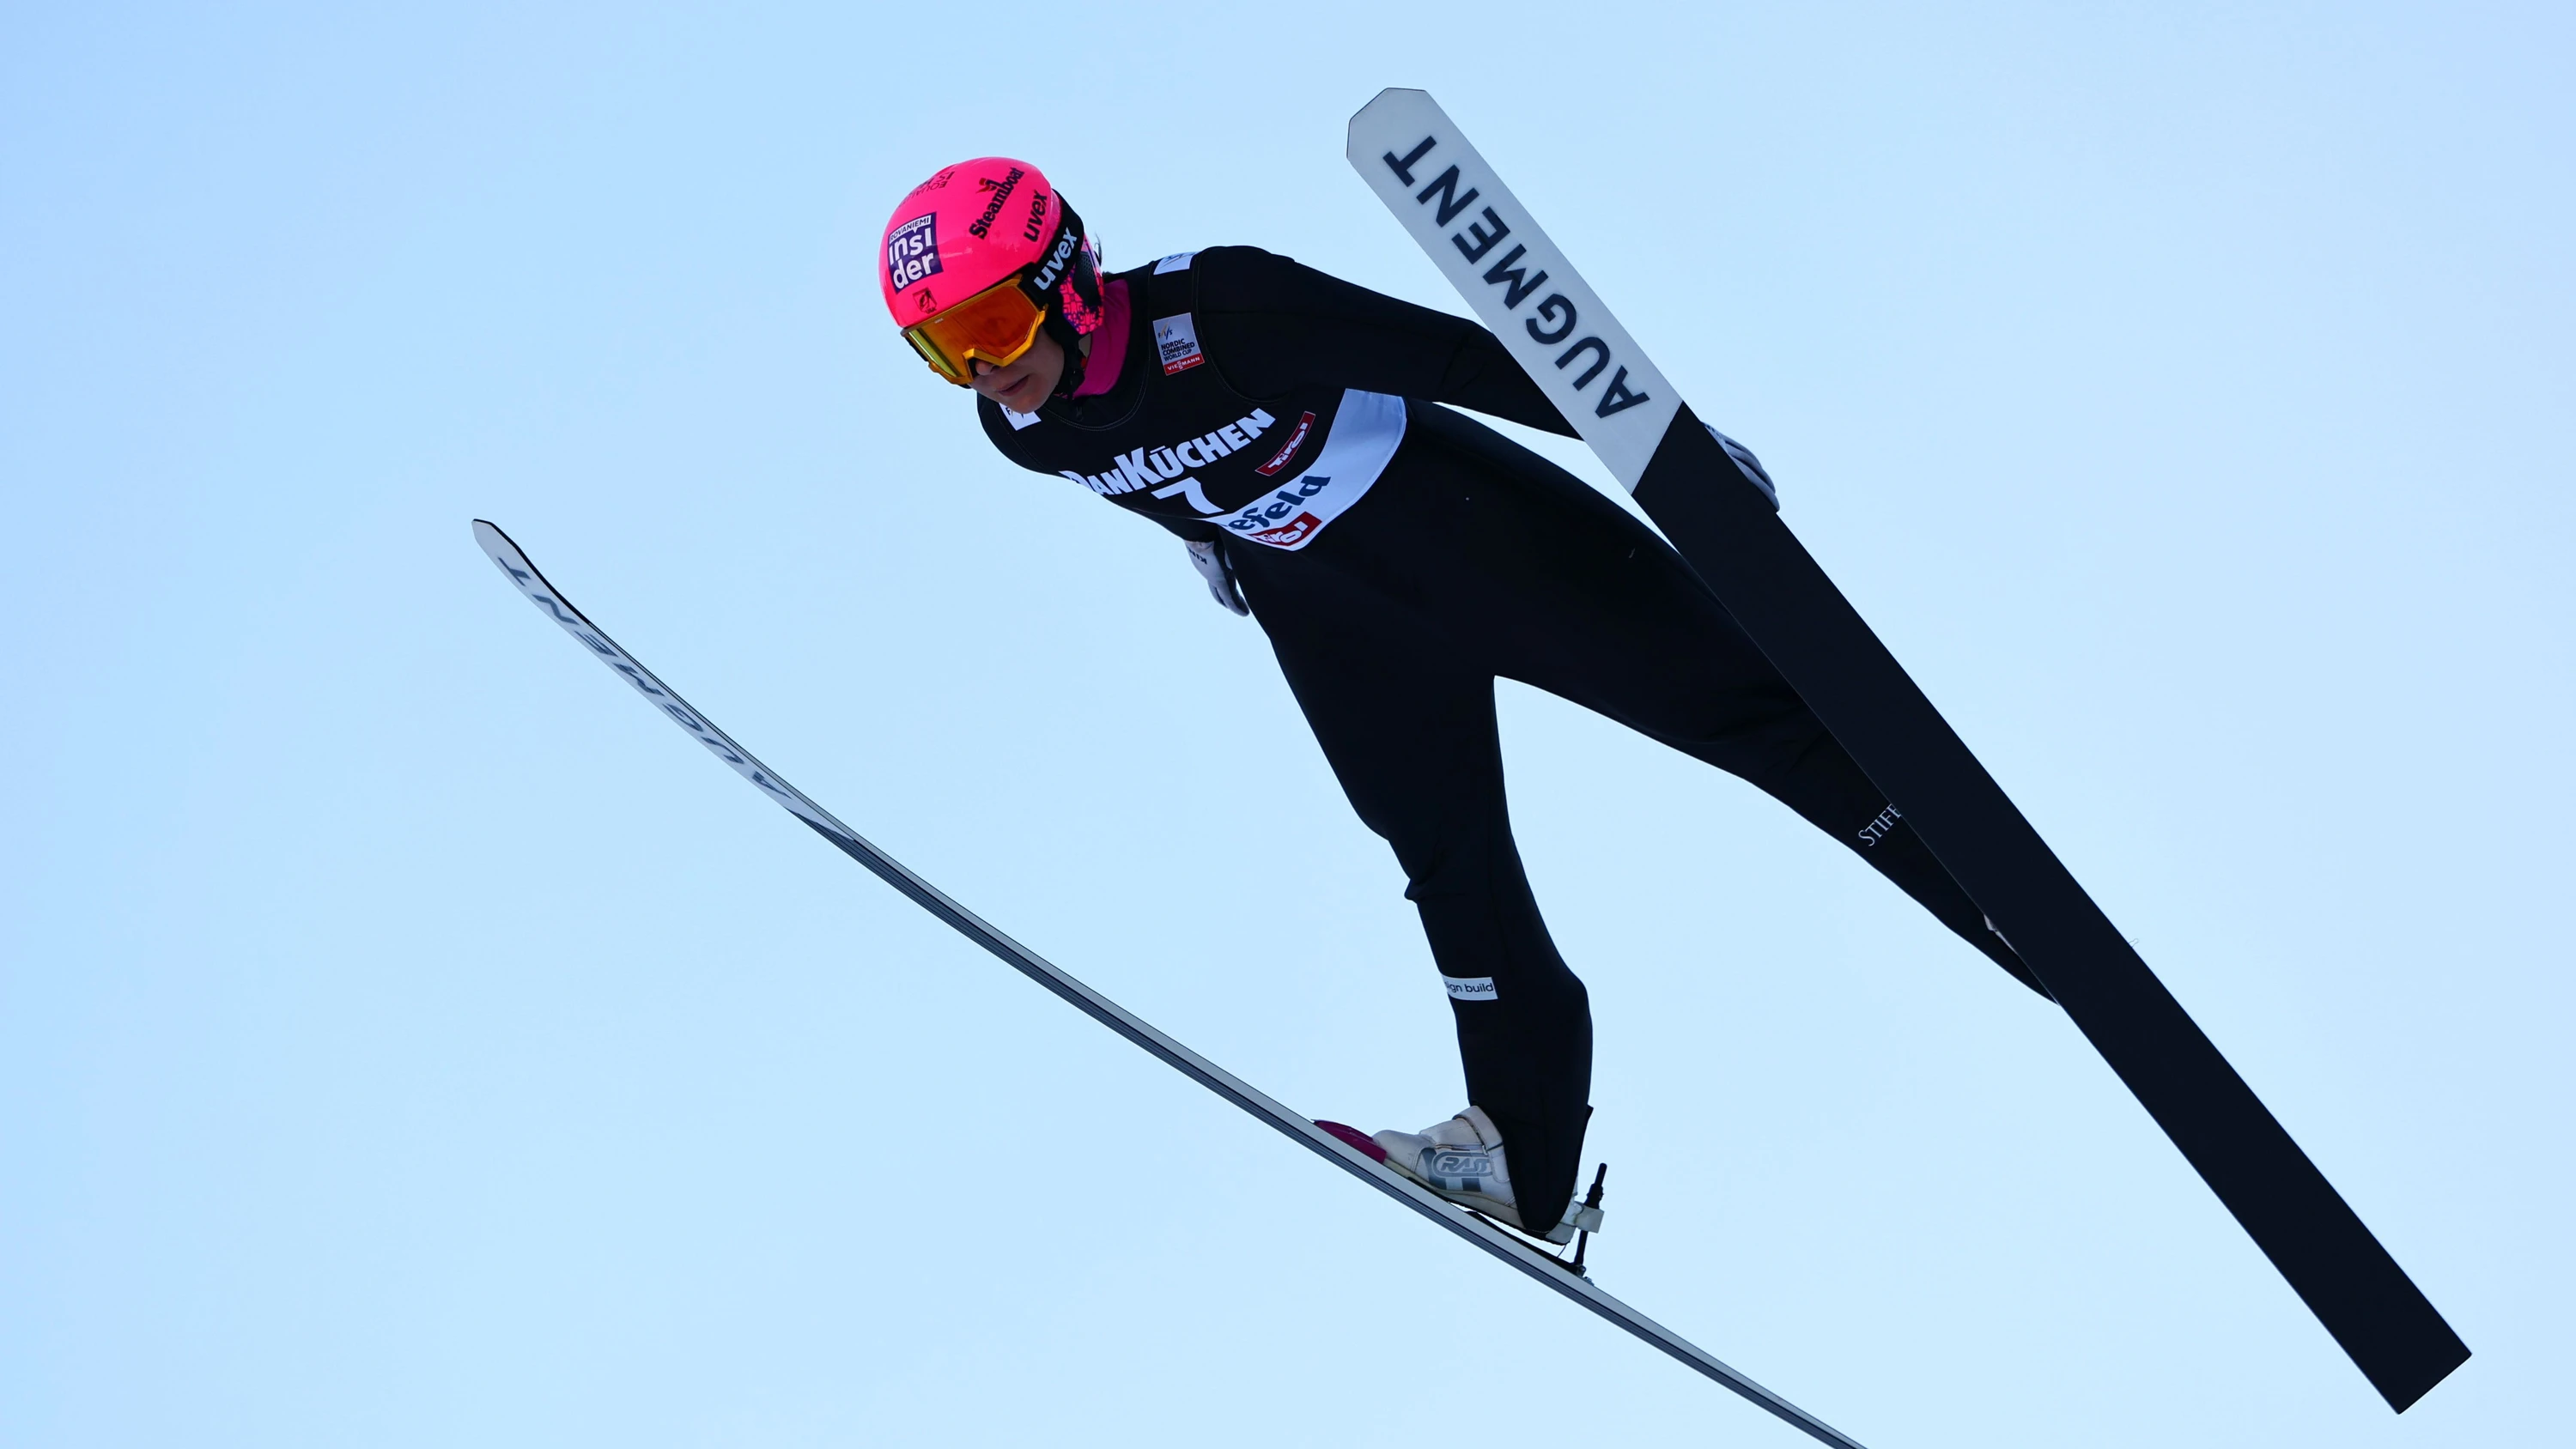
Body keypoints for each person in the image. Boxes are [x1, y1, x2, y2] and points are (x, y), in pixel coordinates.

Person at [878, 157, 2045, 1245]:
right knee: (1444, 859)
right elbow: (1150, 469)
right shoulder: (1020, 433)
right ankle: (1518, 1153)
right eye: (941, 351)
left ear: (1067, 281)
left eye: (990, 325)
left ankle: (1999, 904)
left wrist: (1665, 451)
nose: (983, 370)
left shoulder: (1226, 312)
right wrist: (1210, 535)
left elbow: (1463, 361)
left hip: (1476, 538)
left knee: (1752, 716)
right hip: (1337, 616)